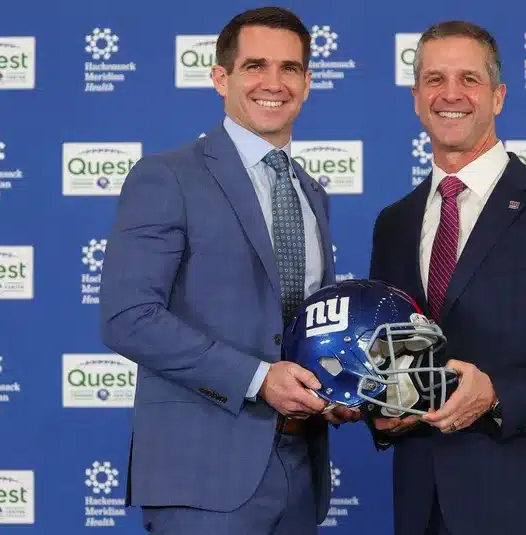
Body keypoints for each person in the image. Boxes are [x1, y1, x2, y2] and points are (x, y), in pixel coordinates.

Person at [99, 7, 361, 534]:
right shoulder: (167, 176)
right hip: (203, 476)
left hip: (301, 470)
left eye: (290, 68)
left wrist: (333, 389)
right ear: (221, 78)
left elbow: (305, 326)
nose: (273, 83)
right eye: (255, 66)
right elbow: (128, 316)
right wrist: (259, 379)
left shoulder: (312, 192)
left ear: (308, 83)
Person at [366, 20, 526, 535]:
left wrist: (496, 392)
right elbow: (389, 352)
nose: (451, 94)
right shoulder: (393, 223)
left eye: (469, 79)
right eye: (435, 80)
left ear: (498, 96)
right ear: (416, 99)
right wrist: (380, 408)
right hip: (422, 502)